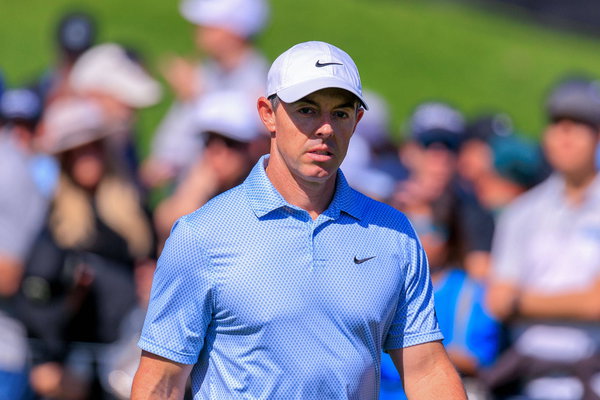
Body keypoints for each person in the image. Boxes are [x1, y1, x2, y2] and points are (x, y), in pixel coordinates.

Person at [132, 40, 466, 399]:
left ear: (357, 121)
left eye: (340, 114)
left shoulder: (394, 233)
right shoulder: (201, 235)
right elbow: (161, 383)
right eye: (307, 110)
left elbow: (427, 371)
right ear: (268, 114)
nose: (325, 128)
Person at [484, 76, 600, 400]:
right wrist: (580, 300)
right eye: (557, 124)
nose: (565, 136)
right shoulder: (522, 211)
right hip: (527, 382)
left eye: (578, 125)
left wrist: (521, 301)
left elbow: (597, 304)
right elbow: (497, 301)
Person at [140, 0, 269, 189]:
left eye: (210, 26)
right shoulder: (207, 72)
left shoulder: (259, 83)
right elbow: (166, 155)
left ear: (234, 30)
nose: (198, 31)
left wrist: (196, 98)